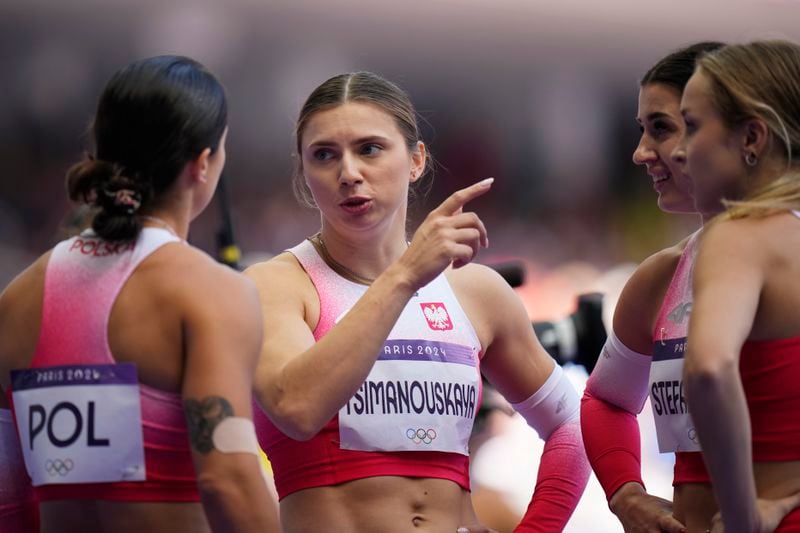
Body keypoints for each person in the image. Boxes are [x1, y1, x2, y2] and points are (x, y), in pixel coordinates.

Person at [245, 71, 590, 532]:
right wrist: (405, 275)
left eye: (369, 148)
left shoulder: (477, 294)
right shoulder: (277, 286)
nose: (349, 173)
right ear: (305, 174)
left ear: (415, 160)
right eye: (324, 155)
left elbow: (573, 424)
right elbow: (298, 408)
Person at [0, 55, 279, 533]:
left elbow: (8, 492)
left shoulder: (18, 297)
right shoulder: (212, 292)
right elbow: (227, 480)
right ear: (204, 163)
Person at [580, 42, 726, 533]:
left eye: (660, 128)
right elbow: (606, 401)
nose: (641, 153)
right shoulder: (661, 277)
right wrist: (626, 494)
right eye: (641, 131)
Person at [677, 40, 800, 533]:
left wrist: (745, 515)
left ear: (752, 136)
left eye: (691, 126)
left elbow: (709, 367)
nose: (682, 151)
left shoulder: (740, 234)